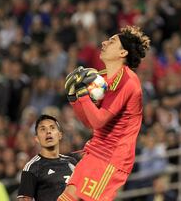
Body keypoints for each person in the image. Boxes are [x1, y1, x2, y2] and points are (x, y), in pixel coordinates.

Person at [59, 25, 150, 201]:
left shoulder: (128, 82)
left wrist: (83, 95)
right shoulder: (101, 79)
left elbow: (99, 121)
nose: (104, 42)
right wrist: (74, 98)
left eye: (112, 41)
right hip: (95, 150)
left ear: (123, 53)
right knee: (68, 196)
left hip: (112, 158)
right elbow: (89, 122)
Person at [17, 114, 77, 201]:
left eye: (52, 128)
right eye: (43, 129)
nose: (48, 132)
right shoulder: (32, 167)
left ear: (60, 135)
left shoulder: (72, 162)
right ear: (37, 138)